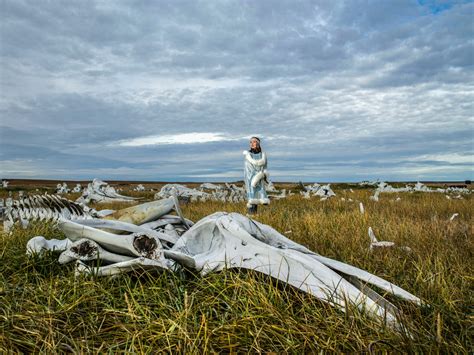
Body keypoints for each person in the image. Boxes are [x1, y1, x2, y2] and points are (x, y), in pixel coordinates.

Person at [243, 136, 270, 214]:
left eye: (254, 141)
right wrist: (254, 177)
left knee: (258, 195)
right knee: (252, 197)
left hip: (260, 178)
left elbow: (265, 167)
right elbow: (247, 168)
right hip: (250, 179)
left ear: (258, 143)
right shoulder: (248, 155)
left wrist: (263, 175)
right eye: (250, 142)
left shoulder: (262, 155)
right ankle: (251, 216)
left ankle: (255, 217)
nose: (252, 143)